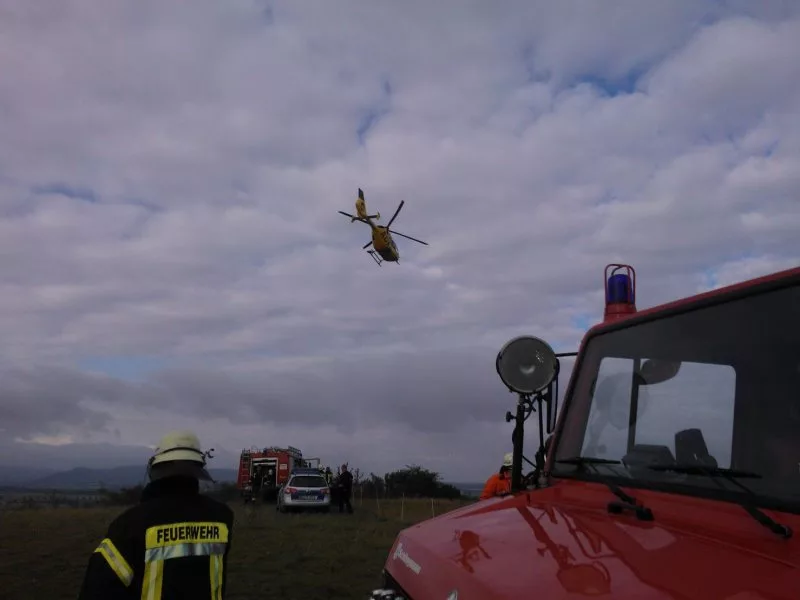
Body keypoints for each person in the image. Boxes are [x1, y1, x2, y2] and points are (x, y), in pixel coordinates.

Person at [77, 430, 235, 600]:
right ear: (198, 470)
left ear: (155, 470)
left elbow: (99, 588)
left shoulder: (130, 524)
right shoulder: (222, 517)